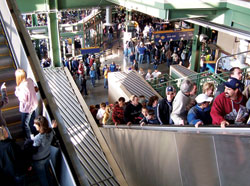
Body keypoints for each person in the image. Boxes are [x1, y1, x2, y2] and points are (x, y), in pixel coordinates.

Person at [15, 69, 38, 139]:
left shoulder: (22, 87)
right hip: (34, 104)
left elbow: (23, 99)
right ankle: (35, 135)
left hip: (27, 108)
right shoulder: (30, 80)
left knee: (24, 125)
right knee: (32, 122)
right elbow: (35, 88)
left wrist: (17, 91)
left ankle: (29, 139)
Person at [32, 116, 54, 186]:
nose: (34, 125)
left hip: (38, 160)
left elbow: (34, 150)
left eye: (35, 124)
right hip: (47, 156)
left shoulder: (38, 138)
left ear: (40, 126)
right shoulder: (51, 132)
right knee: (47, 173)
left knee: (42, 177)